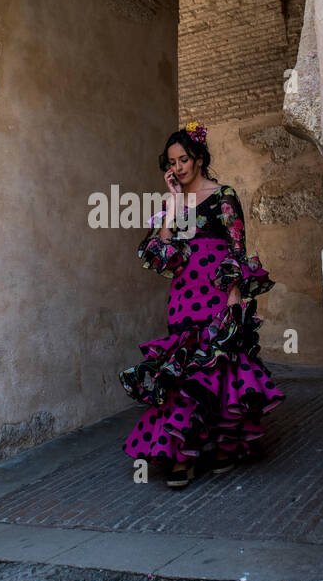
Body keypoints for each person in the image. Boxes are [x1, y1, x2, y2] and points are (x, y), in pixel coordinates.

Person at [118, 121, 285, 487]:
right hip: (184, 295)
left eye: (184, 160)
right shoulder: (171, 203)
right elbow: (160, 252)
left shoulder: (223, 195)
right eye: (172, 162)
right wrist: (174, 201)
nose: (178, 167)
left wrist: (235, 292)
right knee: (185, 370)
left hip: (217, 290)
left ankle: (223, 446)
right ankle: (184, 455)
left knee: (221, 364)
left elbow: (237, 247)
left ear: (199, 159)